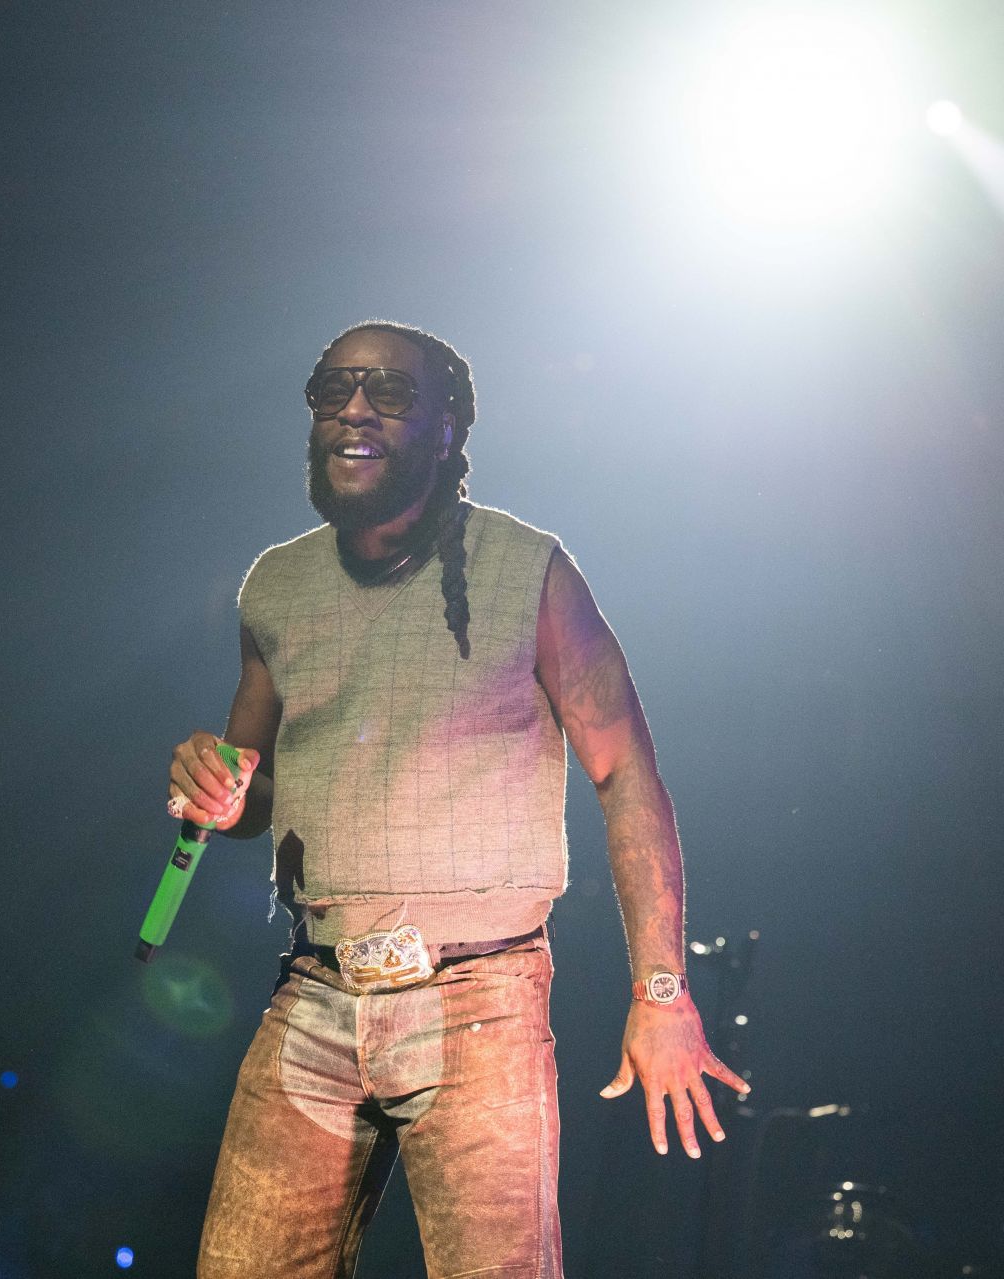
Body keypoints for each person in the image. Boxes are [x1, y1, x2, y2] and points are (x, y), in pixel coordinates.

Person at [167, 320, 748, 1278]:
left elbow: (625, 773)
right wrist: (219, 790)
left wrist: (661, 991)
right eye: (334, 388)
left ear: (446, 429)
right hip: (314, 990)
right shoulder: (275, 584)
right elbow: (253, 784)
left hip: (480, 997)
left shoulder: (528, 570)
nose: (356, 409)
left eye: (389, 391)